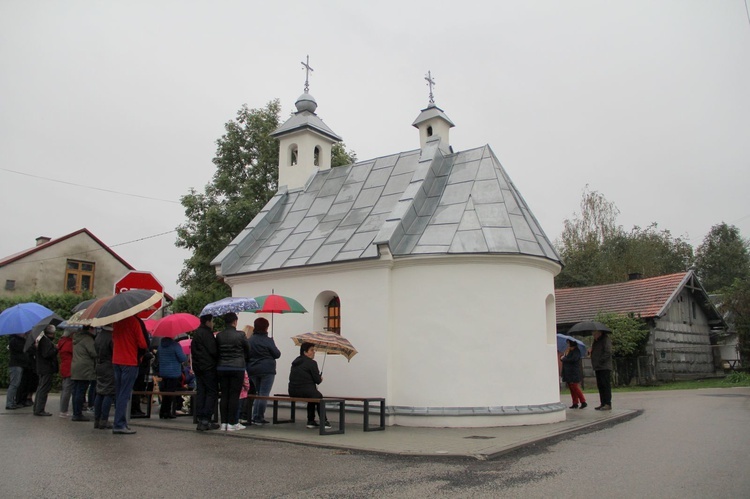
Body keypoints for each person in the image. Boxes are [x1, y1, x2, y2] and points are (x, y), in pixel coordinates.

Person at [111, 315, 148, 434]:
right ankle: (119, 424)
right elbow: (142, 343)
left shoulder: (117, 322)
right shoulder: (134, 322)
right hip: (129, 360)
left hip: (116, 360)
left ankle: (119, 421)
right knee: (125, 393)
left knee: (119, 393)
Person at [215, 313, 250, 431]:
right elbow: (247, 349)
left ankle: (223, 422)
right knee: (234, 395)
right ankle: (232, 422)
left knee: (224, 395)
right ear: (235, 321)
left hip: (222, 367)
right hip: (237, 367)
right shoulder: (241, 335)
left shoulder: (219, 335)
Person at [247, 317, 281, 426]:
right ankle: (259, 417)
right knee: (264, 394)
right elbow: (277, 354)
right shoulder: (268, 340)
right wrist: (272, 342)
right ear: (266, 327)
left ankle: (255, 416)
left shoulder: (250, 340)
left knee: (258, 393)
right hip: (267, 369)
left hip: (252, 369)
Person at [288, 342, 330, 429]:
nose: (314, 352)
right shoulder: (312, 363)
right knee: (318, 396)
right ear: (305, 352)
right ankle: (324, 421)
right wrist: (320, 378)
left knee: (313, 395)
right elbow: (317, 380)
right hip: (305, 391)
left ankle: (311, 421)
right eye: (311, 350)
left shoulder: (295, 362)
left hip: (292, 391)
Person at [191, 314, 220, 431]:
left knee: (201, 392)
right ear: (208, 322)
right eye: (212, 321)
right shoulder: (207, 334)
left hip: (198, 368)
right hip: (208, 367)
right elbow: (213, 350)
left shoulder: (196, 333)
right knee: (211, 392)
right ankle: (206, 419)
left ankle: (200, 418)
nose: (213, 324)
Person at [71, 326, 97, 422]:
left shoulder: (76, 338)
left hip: (76, 365)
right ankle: (78, 414)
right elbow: (93, 352)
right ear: (89, 329)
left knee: (76, 391)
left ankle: (75, 412)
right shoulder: (87, 339)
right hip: (84, 367)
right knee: (81, 391)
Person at [157, 336, 187, 419]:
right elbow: (182, 358)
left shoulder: (160, 346)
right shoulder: (175, 345)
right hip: (173, 372)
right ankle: (166, 412)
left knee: (165, 393)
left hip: (163, 372)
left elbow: (158, 357)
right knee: (170, 393)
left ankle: (163, 412)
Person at [33, 325, 59, 416]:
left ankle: (37, 408)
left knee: (40, 388)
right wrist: (55, 349)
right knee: (43, 388)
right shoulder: (45, 341)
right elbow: (47, 354)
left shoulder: (43, 340)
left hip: (42, 367)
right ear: (51, 333)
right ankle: (39, 409)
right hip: (46, 368)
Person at [94, 326, 115, 429]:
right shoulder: (110, 337)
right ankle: (104, 419)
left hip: (99, 364)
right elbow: (114, 351)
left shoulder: (99, 335)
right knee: (108, 392)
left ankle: (96, 419)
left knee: (99, 391)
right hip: (108, 365)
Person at [589, 330, 613, 411]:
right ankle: (602, 403)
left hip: (604, 366)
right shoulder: (596, 341)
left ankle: (607, 403)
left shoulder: (605, 339)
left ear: (599, 333)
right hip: (598, 367)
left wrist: (600, 361)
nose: (593, 335)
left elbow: (608, 352)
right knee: (600, 386)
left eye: (594, 334)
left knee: (605, 385)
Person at [561, 339, 587, 409]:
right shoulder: (568, 351)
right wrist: (564, 357)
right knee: (571, 387)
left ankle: (583, 401)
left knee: (575, 386)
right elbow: (566, 358)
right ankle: (575, 402)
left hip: (573, 371)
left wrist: (564, 359)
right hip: (568, 371)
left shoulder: (576, 351)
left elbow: (573, 359)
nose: (568, 345)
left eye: (569, 343)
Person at [5, 333, 26, 410]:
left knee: (16, 384)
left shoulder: (16, 340)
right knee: (14, 384)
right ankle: (9, 403)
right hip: (16, 364)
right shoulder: (15, 341)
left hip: (18, 364)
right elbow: (21, 350)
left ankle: (12, 402)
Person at [57, 329, 75, 417]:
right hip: (69, 367)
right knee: (67, 390)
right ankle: (63, 410)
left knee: (64, 389)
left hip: (64, 366)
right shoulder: (69, 343)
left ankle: (62, 409)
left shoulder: (61, 342)